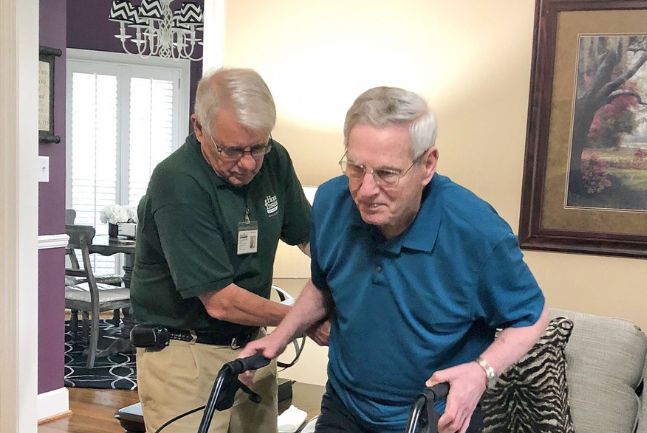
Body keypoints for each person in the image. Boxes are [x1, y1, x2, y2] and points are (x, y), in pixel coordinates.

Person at [240, 86, 548, 433]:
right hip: (346, 407)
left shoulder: (475, 230)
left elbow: (531, 317)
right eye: (356, 168)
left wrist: (482, 371)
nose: (366, 190)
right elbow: (324, 284)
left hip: (433, 416)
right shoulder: (331, 202)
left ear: (427, 164)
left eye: (387, 173)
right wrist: (281, 336)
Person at [130, 67, 316, 433]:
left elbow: (312, 238)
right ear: (199, 128)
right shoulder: (178, 181)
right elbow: (220, 300)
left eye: (257, 147)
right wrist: (301, 321)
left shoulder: (274, 159)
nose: (247, 163)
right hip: (185, 355)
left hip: (253, 346)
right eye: (231, 150)